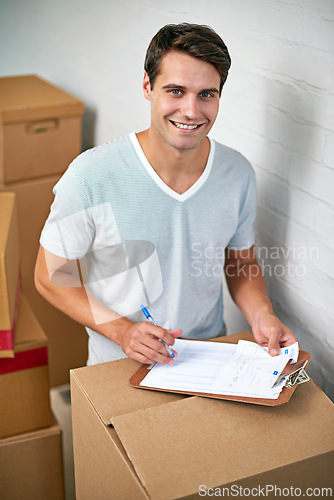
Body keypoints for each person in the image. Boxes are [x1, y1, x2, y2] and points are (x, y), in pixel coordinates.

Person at [34, 23, 297, 367]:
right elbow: (51, 275)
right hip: (118, 365)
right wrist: (122, 330)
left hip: (208, 361)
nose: (191, 111)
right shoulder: (91, 175)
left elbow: (241, 262)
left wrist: (262, 313)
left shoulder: (237, 173)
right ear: (148, 86)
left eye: (206, 94)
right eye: (175, 91)